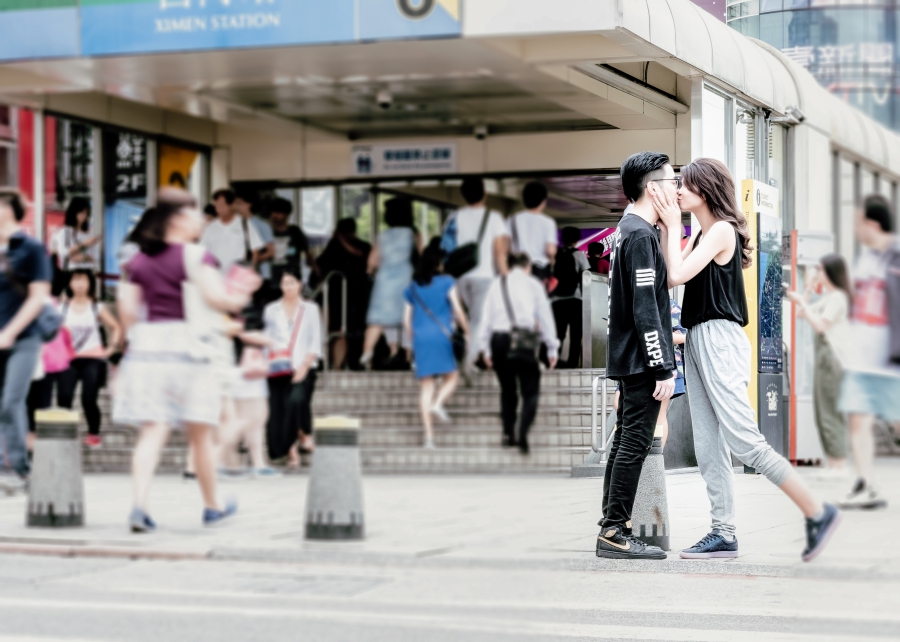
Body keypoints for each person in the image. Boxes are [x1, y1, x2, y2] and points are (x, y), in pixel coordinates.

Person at [652, 156, 840, 562]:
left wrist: (670, 225)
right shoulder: (701, 234)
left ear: (705, 188)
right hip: (699, 338)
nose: (678, 190)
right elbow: (676, 272)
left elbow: (674, 276)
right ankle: (724, 532)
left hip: (719, 339)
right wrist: (676, 232)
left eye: (685, 183)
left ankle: (817, 511)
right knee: (707, 444)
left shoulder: (720, 230)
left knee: (743, 440)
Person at [113, 189, 258, 532]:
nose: (200, 221)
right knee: (200, 436)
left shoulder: (137, 262)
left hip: (147, 350)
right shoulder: (196, 256)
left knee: (152, 431)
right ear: (177, 219)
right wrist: (242, 292)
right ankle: (212, 506)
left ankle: (139, 505)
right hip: (189, 351)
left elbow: (129, 315)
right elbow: (217, 298)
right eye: (194, 215)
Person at [594, 152, 675, 561]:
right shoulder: (640, 235)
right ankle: (614, 530)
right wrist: (662, 365)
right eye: (671, 181)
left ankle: (611, 525)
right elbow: (646, 307)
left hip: (629, 356)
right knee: (634, 444)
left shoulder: (628, 230)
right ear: (653, 188)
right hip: (642, 360)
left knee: (625, 441)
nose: (676, 189)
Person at [835, 194, 899, 509]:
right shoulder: (864, 258)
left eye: (858, 221)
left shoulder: (896, 254)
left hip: (890, 358)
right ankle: (866, 485)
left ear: (872, 222)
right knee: (857, 420)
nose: (856, 228)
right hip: (862, 358)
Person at [479, 252, 558, 454]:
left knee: (507, 390)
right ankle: (522, 433)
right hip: (523, 341)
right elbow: (544, 316)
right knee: (530, 390)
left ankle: (508, 434)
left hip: (499, 341)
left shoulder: (497, 285)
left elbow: (485, 318)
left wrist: (485, 349)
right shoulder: (532, 285)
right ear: (527, 266)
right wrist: (552, 347)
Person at [0, 189, 52, 494]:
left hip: (25, 338)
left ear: (10, 210)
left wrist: (9, 332)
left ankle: (18, 468)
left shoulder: (30, 248)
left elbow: (38, 297)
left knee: (10, 402)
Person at [786, 254, 852, 472]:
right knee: (823, 413)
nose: (817, 274)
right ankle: (834, 465)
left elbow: (820, 326)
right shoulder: (831, 297)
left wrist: (803, 298)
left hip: (832, 358)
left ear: (831, 272)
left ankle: (838, 466)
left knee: (830, 413)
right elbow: (802, 314)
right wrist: (806, 291)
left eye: (820, 270)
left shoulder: (838, 298)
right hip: (826, 359)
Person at [403, 240, 470, 449]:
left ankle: (429, 438)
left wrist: (414, 339)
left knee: (426, 387)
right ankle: (438, 404)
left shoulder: (412, 287)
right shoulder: (447, 281)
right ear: (438, 263)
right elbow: (458, 310)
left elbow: (406, 320)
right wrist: (467, 330)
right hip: (442, 336)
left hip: (421, 338)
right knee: (452, 376)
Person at [442, 177, 509, 373]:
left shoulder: (454, 216)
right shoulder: (494, 217)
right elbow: (499, 252)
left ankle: (467, 357)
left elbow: (445, 248)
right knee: (479, 319)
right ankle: (469, 361)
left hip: (460, 276)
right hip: (484, 275)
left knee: (464, 318)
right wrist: (505, 277)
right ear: (484, 193)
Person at [57, 269, 123, 448]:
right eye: (76, 280)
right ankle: (65, 434)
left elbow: (116, 326)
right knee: (64, 397)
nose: (79, 284)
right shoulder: (61, 307)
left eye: (83, 280)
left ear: (90, 284)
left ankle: (94, 433)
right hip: (68, 359)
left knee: (89, 399)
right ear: (70, 283)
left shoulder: (97, 307)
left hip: (93, 359)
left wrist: (111, 349)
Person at [264, 269, 322, 465]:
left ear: (300, 284)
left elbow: (315, 340)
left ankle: (302, 434)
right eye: (284, 283)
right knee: (279, 408)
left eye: (292, 282)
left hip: (304, 365)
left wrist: (305, 366)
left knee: (296, 400)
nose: (288, 286)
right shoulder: (271, 309)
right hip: (277, 368)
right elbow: (266, 338)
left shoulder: (310, 309)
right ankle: (292, 449)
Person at [361, 198, 420, 369]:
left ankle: (368, 351)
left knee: (379, 319)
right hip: (406, 279)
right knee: (408, 318)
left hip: (384, 282)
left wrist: (376, 269)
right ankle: (411, 357)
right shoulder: (413, 234)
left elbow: (372, 262)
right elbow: (421, 257)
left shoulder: (382, 236)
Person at [316, 218, 371, 370]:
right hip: (337, 296)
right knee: (338, 331)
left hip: (357, 295)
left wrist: (340, 239)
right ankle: (337, 365)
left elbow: (360, 256)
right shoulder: (332, 247)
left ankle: (352, 363)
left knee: (354, 331)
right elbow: (320, 266)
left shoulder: (362, 246)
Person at [551, 226, 590, 369]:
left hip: (557, 300)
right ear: (576, 239)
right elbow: (586, 275)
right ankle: (573, 363)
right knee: (576, 334)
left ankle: (553, 362)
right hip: (575, 299)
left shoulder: (555, 254)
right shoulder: (578, 255)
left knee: (558, 333)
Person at [201, 188, 264, 275]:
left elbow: (255, 250)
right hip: (216, 277)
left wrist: (250, 270)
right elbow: (203, 252)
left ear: (232, 205)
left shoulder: (244, 224)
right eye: (216, 206)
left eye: (222, 205)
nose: (219, 209)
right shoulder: (210, 228)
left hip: (239, 278)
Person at [268, 197, 317, 299]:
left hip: (292, 280)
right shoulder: (267, 233)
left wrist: (317, 271)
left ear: (287, 215)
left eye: (278, 212)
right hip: (272, 283)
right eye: (272, 212)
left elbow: (308, 253)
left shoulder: (295, 232)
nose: (274, 216)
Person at [508, 181, 557, 281]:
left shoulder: (512, 219)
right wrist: (552, 261)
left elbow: (506, 247)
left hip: (518, 268)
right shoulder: (548, 222)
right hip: (540, 270)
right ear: (544, 201)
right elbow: (550, 250)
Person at [50, 197, 99, 296]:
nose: (83, 216)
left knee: (88, 306)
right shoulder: (66, 231)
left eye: (86, 213)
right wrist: (84, 244)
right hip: (72, 274)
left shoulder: (89, 234)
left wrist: (82, 257)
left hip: (88, 274)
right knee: (72, 305)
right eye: (80, 212)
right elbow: (64, 253)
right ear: (73, 212)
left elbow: (96, 257)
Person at [234, 189, 275, 282]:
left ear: (249, 204)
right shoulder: (234, 225)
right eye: (235, 204)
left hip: (261, 276)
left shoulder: (262, 225)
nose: (236, 207)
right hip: (238, 275)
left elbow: (271, 252)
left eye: (239, 203)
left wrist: (251, 261)